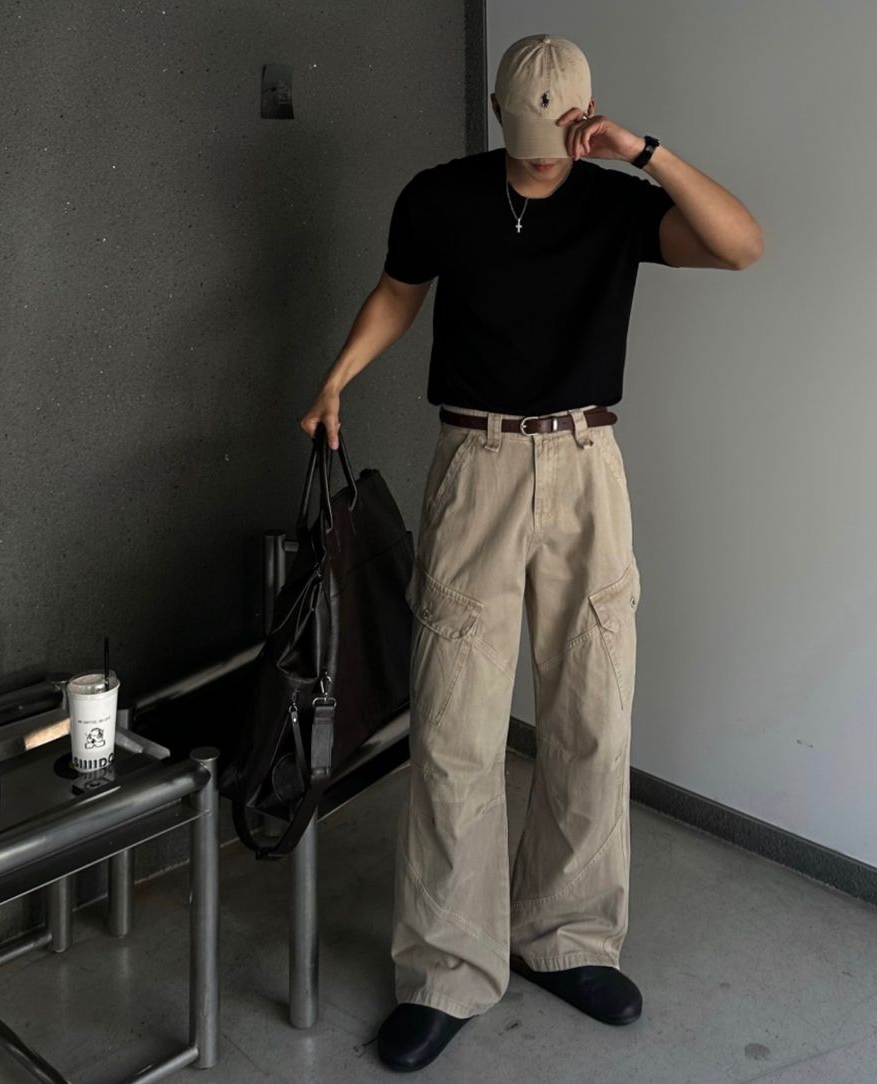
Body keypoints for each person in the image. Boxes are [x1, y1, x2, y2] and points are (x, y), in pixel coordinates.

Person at [299, 33, 763, 1073]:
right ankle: (446, 968)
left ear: (586, 117)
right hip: (477, 463)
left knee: (591, 716)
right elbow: (398, 291)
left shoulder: (618, 204)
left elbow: (740, 245)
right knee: (456, 729)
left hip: (588, 463)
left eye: (557, 135)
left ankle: (568, 938)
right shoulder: (441, 197)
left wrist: (646, 153)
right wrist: (337, 376)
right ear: (497, 115)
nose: (540, 154)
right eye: (524, 134)